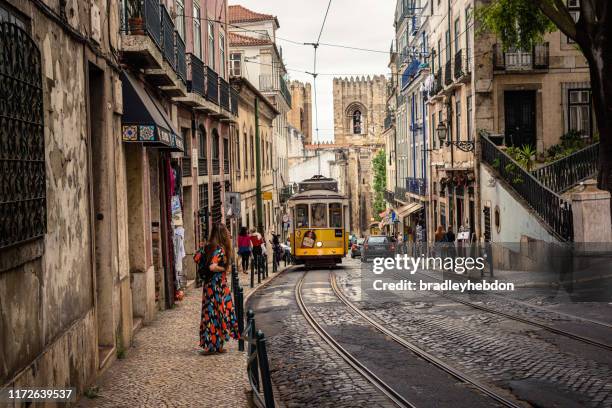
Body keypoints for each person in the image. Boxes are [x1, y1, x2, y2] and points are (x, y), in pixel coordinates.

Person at [199, 223, 240, 354]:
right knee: (218, 313)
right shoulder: (219, 249)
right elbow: (212, 266)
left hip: (209, 286)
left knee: (211, 314)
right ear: (223, 235)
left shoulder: (208, 247)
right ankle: (214, 346)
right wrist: (223, 268)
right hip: (217, 286)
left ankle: (215, 345)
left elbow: (196, 257)